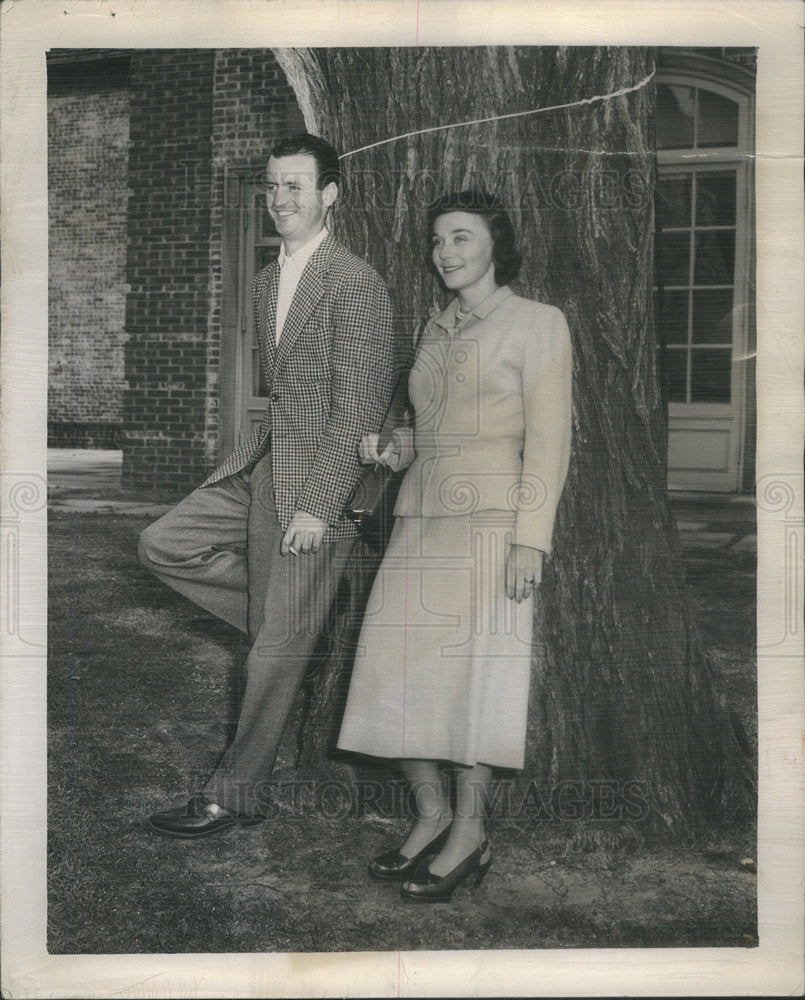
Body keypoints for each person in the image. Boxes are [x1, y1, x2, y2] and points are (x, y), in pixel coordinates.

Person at [141, 133, 395, 837]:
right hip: (261, 464)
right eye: (273, 186)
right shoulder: (264, 279)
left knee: (276, 647)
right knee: (164, 543)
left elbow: (360, 407)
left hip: (320, 485)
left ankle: (233, 794)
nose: (280, 200)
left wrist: (319, 505)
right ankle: (289, 632)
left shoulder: (356, 283)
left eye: (295, 187)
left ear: (329, 195)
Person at [337, 190, 572, 901]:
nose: (446, 253)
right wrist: (393, 446)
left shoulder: (536, 324)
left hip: (493, 526)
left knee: (475, 681)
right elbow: (425, 430)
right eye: (438, 240)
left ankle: (470, 832)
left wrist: (530, 540)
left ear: (494, 246)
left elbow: (550, 441)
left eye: (461, 238)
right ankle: (431, 814)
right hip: (419, 522)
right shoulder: (433, 328)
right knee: (394, 668)